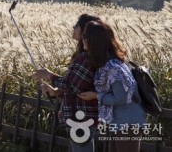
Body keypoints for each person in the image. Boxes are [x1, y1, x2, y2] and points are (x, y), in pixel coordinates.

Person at [32, 14, 101, 152]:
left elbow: (72, 85)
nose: (73, 27)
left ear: (85, 30)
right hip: (79, 116)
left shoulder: (87, 58)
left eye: (76, 25)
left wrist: (49, 74)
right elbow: (76, 87)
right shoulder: (82, 55)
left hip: (82, 117)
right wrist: (56, 91)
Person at [78, 21, 146, 152]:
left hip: (128, 124)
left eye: (85, 36)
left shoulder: (113, 67)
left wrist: (97, 96)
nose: (83, 39)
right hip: (120, 122)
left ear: (94, 41)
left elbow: (121, 98)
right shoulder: (107, 63)